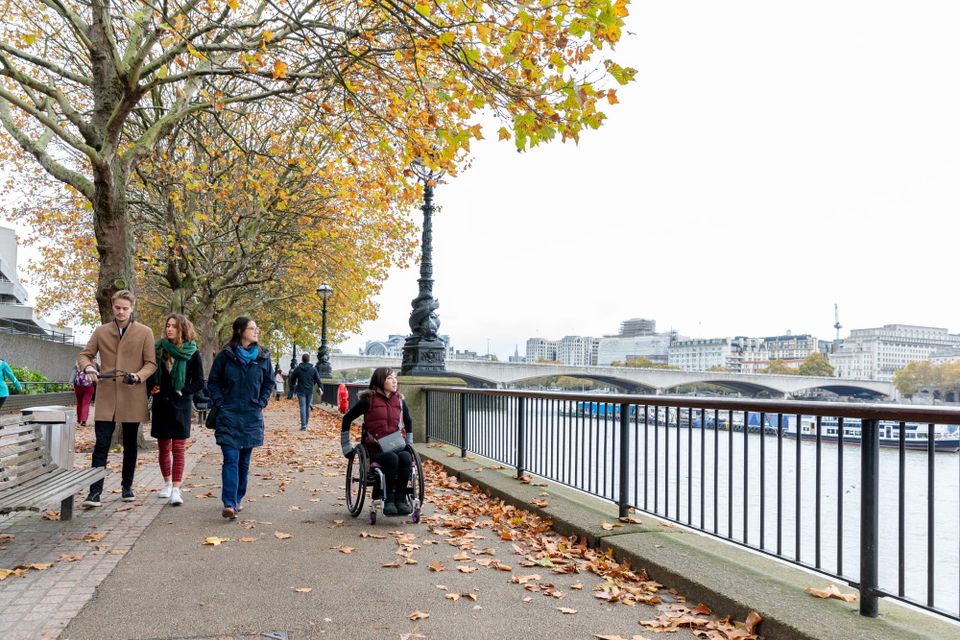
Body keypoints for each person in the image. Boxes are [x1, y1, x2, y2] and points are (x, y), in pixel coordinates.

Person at [77, 290, 157, 507]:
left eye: (125, 308)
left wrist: (138, 377)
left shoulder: (145, 332)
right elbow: (85, 354)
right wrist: (89, 367)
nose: (121, 312)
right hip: (106, 395)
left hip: (132, 393)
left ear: (132, 309)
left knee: (130, 444)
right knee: (101, 444)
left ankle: (127, 487)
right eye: (117, 308)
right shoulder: (101, 331)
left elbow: (151, 363)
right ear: (112, 307)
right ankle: (94, 492)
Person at [207, 316, 274, 519]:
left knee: (244, 462)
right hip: (229, 414)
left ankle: (237, 498)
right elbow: (213, 381)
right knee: (231, 459)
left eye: (257, 328)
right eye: (252, 328)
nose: (256, 331)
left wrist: (261, 401)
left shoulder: (263, 357)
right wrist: (220, 402)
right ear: (240, 331)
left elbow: (269, 382)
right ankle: (228, 503)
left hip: (251, 415)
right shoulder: (225, 356)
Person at [147, 313, 204, 506]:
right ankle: (167, 483)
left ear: (182, 329)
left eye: (173, 326)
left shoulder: (192, 352)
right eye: (167, 325)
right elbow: (149, 374)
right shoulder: (158, 349)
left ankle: (177, 489)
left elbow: (199, 382)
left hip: (181, 405)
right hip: (162, 404)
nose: (169, 329)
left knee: (179, 448)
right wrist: (151, 388)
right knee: (164, 447)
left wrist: (182, 391)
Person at [340, 367, 414, 516]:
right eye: (390, 378)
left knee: (406, 457)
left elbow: (409, 421)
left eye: (395, 378)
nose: (394, 381)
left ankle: (400, 499)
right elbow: (347, 419)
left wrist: (410, 443)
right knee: (392, 459)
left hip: (396, 445)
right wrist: (346, 446)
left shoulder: (399, 401)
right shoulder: (368, 400)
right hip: (375, 450)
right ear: (380, 381)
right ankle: (388, 499)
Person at [289, 354, 323, 431]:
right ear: (308, 360)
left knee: (302, 407)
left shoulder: (298, 369)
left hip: (300, 390)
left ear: (302, 359)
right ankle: (306, 423)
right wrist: (321, 388)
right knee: (307, 407)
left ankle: (303, 425)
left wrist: (294, 384)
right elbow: (318, 380)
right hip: (309, 390)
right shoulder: (313, 369)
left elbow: (292, 378)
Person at [72, 362, 95, 426]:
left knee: (79, 403)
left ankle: (79, 420)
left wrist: (70, 383)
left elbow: (73, 375)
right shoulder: (92, 365)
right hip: (89, 387)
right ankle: (84, 420)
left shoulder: (77, 365)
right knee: (86, 403)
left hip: (78, 387)